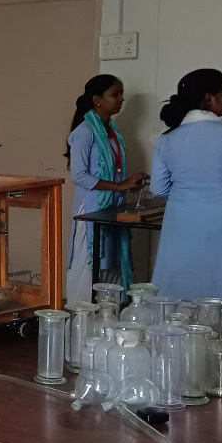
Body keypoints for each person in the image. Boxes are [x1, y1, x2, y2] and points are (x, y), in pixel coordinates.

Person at [150, 69, 222, 319]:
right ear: (209, 98)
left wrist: (186, 195)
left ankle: (173, 334)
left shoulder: (167, 139)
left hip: (181, 222)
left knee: (179, 282)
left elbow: (158, 188)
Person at [65, 74, 146, 301]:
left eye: (122, 94)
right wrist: (119, 185)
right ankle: (81, 313)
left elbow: (111, 171)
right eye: (115, 94)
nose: (121, 99)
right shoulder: (84, 132)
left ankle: (110, 314)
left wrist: (127, 183)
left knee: (112, 262)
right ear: (97, 100)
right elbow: (79, 176)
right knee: (89, 264)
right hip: (91, 210)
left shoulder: (112, 131)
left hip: (111, 206)